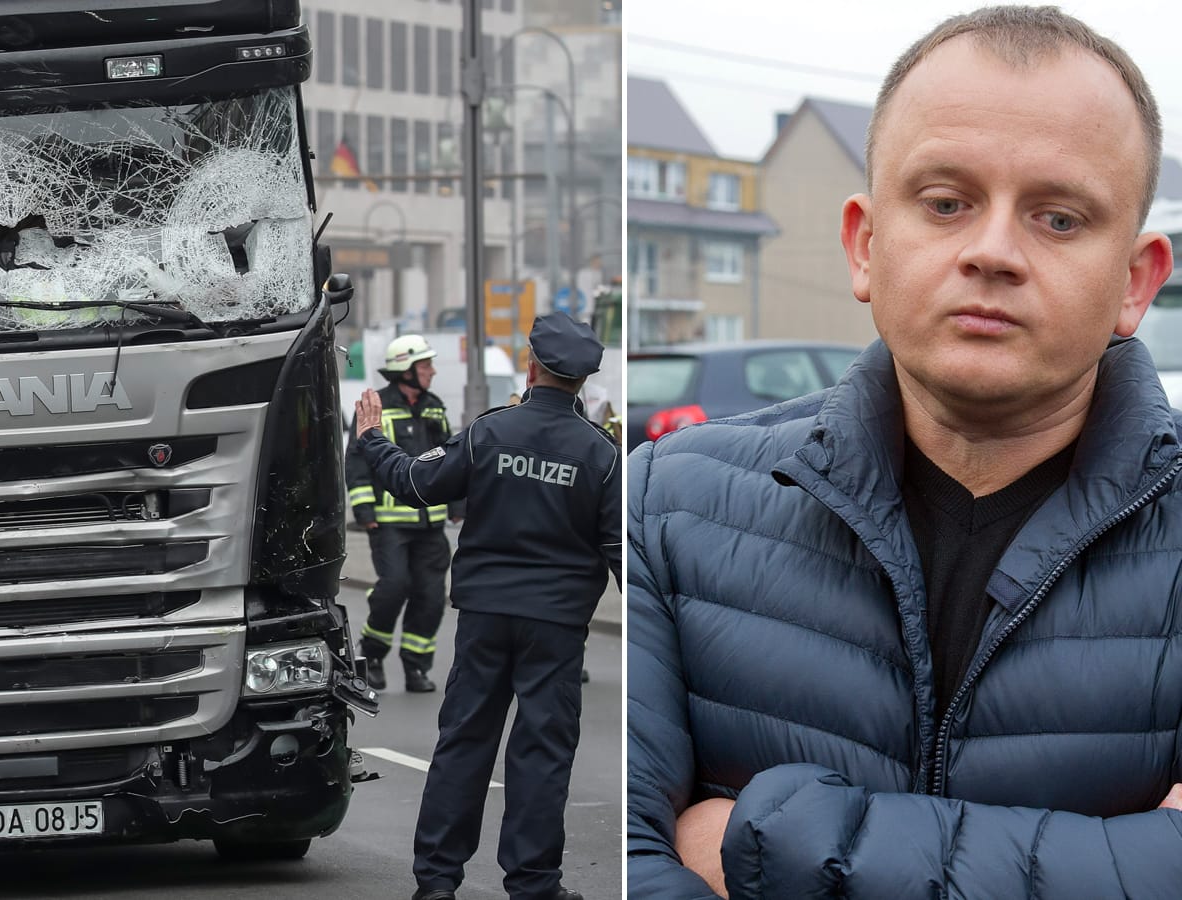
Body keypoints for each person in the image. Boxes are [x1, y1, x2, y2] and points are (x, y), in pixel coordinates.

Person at [628, 7, 1182, 898]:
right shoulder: (668, 507)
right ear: (866, 244)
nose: (993, 252)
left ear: (1136, 280)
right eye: (947, 203)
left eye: (1059, 217)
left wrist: (772, 843)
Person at [354, 313, 621, 900]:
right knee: (543, 753)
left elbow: (414, 483)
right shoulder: (600, 456)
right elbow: (620, 552)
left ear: (531, 365)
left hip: (484, 616)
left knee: (464, 743)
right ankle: (533, 885)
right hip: (555, 625)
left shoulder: (488, 433)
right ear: (582, 382)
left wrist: (371, 438)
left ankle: (437, 885)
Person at [345, 334, 462, 693]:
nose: (432, 371)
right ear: (405, 369)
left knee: (429, 596)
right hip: (389, 524)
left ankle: (416, 667)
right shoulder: (375, 406)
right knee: (394, 587)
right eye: (425, 365)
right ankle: (373, 655)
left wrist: (457, 505)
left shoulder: (434, 406)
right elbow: (358, 460)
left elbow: (452, 460)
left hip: (430, 524)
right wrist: (365, 510)